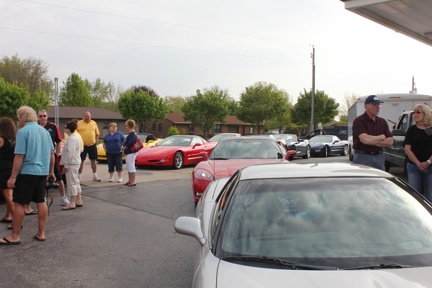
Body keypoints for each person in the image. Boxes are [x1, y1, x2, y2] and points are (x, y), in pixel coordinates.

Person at [0, 106, 55, 245]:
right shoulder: (44, 132)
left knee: (19, 203)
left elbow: (19, 156)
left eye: (18, 118)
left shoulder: (23, 132)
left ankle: (15, 235)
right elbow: (51, 154)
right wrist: (51, 171)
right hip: (42, 172)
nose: (18, 121)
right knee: (41, 201)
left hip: (27, 172)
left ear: (22, 118)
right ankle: (41, 233)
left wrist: (13, 177)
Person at [37, 109, 69, 206]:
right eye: (40, 116)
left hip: (51, 156)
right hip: (39, 156)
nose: (43, 118)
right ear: (37, 117)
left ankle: (63, 197)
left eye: (44, 116)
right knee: (41, 178)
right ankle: (42, 198)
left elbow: (59, 140)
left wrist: (58, 152)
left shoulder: (53, 126)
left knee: (58, 177)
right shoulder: (35, 127)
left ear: (47, 116)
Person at [352, 95, 393, 170]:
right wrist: (381, 137)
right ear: (366, 106)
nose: (377, 107)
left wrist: (371, 141)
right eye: (374, 105)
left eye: (378, 105)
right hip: (363, 157)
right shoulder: (359, 121)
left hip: (379, 157)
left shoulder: (382, 121)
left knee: (380, 181)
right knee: (364, 181)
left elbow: (390, 141)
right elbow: (366, 140)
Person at [404, 104, 432, 200]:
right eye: (414, 112)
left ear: (426, 114)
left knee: (430, 197)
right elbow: (407, 149)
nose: (415, 114)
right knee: (415, 196)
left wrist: (428, 162)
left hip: (431, 167)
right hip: (413, 167)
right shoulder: (411, 130)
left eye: (418, 112)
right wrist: (419, 164)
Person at [60, 120, 83, 210]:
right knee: (75, 181)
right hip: (75, 162)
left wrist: (65, 165)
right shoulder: (74, 137)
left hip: (72, 163)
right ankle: (79, 200)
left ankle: (72, 202)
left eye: (65, 127)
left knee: (71, 182)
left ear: (68, 129)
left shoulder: (72, 139)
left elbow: (70, 153)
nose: (64, 129)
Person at [0, 117, 17, 225]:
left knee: (7, 195)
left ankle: (17, 221)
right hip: (11, 168)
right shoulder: (14, 139)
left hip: (2, 169)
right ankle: (8, 215)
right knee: (9, 194)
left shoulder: (1, 139)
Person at [77, 111, 101, 182]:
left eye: (88, 116)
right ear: (83, 116)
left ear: (90, 117)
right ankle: (79, 176)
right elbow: (75, 133)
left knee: (93, 160)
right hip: (82, 145)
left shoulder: (94, 123)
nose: (87, 118)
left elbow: (97, 134)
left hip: (92, 145)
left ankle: (95, 175)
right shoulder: (79, 123)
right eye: (86, 116)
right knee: (81, 160)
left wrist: (96, 141)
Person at [122, 119, 138, 187]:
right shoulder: (131, 133)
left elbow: (131, 142)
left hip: (131, 152)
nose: (126, 127)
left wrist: (125, 147)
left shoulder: (132, 134)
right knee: (129, 166)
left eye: (126, 125)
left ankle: (133, 181)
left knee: (131, 166)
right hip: (129, 153)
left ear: (128, 126)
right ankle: (130, 180)